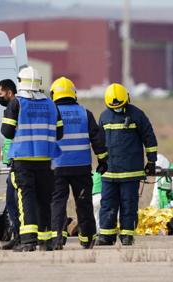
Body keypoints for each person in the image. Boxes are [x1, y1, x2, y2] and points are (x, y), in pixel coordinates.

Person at [1, 66, 63, 252]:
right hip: (45, 161)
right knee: (45, 200)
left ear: (21, 82)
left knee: (25, 198)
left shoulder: (16, 103)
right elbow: (59, 133)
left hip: (23, 160)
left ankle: (28, 241)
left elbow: (7, 132)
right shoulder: (51, 104)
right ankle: (47, 241)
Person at [50, 76, 107, 250]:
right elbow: (97, 139)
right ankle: (88, 238)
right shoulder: (85, 113)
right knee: (83, 203)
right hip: (81, 168)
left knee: (57, 202)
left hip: (56, 168)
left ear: (54, 94)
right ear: (73, 94)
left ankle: (57, 239)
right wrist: (103, 160)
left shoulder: (52, 113)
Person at [98, 83, 158, 246]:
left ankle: (127, 235)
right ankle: (106, 235)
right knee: (107, 205)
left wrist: (152, 161)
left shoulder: (137, 115)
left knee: (128, 205)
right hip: (110, 173)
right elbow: (99, 142)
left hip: (130, 173)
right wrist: (101, 161)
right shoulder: (104, 117)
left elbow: (149, 138)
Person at [0, 79, 19, 250]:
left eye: (0, 94)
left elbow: (9, 134)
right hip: (15, 161)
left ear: (9, 93)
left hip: (19, 162)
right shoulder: (13, 108)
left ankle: (19, 236)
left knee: (13, 201)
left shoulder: (15, 107)